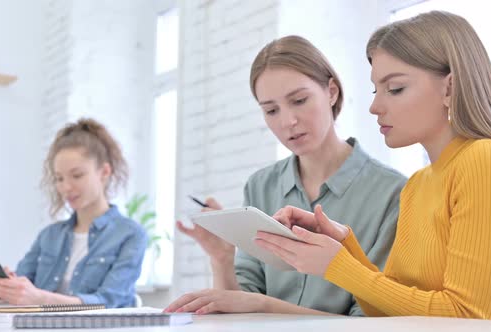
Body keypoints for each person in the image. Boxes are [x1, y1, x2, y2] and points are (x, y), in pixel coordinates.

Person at [256, 11, 491, 321]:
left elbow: (467, 316)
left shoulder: (486, 160)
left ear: (449, 89)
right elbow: (386, 309)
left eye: (394, 89)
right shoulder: (418, 185)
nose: (374, 106)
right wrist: (344, 246)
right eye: (375, 90)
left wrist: (337, 266)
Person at [165, 36, 406, 316]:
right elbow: (239, 306)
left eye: (299, 100)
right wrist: (221, 260)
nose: (287, 121)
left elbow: (369, 321)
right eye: (271, 110)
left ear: (331, 91)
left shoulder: (393, 192)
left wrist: (264, 305)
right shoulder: (260, 186)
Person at [0, 118, 147, 308]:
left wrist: (40, 298)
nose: (65, 187)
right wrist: (1, 293)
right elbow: (23, 290)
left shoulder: (130, 235)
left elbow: (109, 302)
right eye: (59, 178)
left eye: (77, 175)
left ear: (104, 172)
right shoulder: (49, 236)